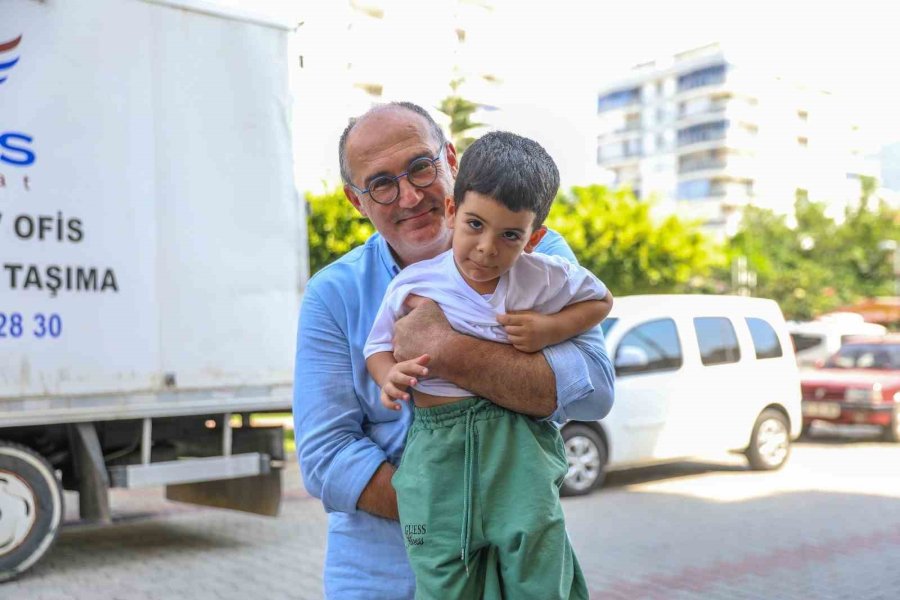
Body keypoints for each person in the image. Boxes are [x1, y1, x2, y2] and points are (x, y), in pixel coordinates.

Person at [293, 101, 614, 599]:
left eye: (420, 167)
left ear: (451, 160)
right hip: (380, 577)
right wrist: (453, 505)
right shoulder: (332, 294)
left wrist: (448, 349)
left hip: (516, 563)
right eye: (381, 183)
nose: (409, 195)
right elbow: (325, 457)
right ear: (357, 202)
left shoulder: (533, 254)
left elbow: (594, 390)